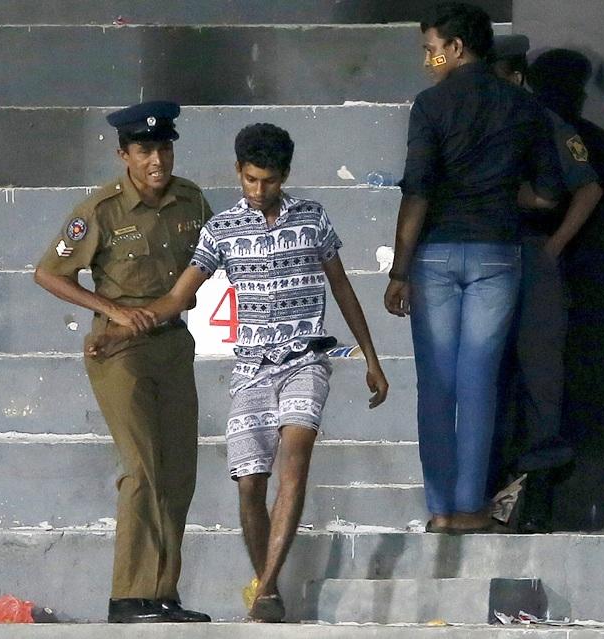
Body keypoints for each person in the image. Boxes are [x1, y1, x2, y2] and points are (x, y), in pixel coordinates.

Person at [88, 122, 389, 622]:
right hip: (251, 369)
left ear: (285, 175)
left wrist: (371, 358)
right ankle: (266, 585)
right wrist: (121, 330)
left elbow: (342, 288)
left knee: (296, 455)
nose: (258, 190)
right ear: (238, 173)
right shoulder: (222, 229)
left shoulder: (312, 219)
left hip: (305, 359)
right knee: (249, 483)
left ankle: (267, 587)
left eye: (268, 181)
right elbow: (178, 297)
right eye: (250, 180)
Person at [383, 2, 564, 534]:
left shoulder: (430, 105)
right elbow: (549, 192)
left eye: (431, 49)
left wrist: (400, 268)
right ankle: (469, 506)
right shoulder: (522, 106)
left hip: (435, 254)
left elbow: (416, 190)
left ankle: (439, 507)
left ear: (456, 47)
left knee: (436, 384)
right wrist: (511, 197)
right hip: (496, 253)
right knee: (479, 381)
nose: (427, 61)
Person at [34, 101, 211, 623]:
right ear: (124, 154)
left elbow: (209, 263)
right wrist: (111, 310)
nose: (157, 159)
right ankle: (128, 596)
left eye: (163, 147)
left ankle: (162, 593)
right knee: (142, 467)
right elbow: (49, 273)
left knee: (179, 471)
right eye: (144, 150)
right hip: (119, 349)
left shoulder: (191, 201)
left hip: (174, 344)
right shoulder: (103, 208)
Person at [489, 35, 604, 533]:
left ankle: (534, 498)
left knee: (539, 377)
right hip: (485, 254)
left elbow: (588, 187)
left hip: (530, 254)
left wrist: (553, 245)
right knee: (494, 378)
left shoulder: (542, 121)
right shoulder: (476, 120)